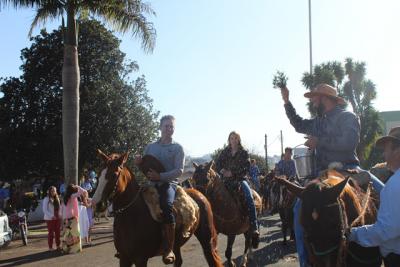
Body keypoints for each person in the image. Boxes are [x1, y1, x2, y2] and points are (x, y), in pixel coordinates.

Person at [279, 83, 384, 267]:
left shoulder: (347, 117)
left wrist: (319, 142)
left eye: (314, 97)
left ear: (325, 98)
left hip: (349, 168)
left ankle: (388, 252)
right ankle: (305, 262)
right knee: (298, 208)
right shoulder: (318, 122)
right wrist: (287, 101)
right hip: (324, 174)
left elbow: (349, 142)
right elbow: (298, 124)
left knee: (386, 193)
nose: (312, 101)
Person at [134, 115, 185, 265]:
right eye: (166, 126)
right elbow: (145, 167)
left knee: (166, 206)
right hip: (151, 184)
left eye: (171, 126)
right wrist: (138, 164)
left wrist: (160, 176)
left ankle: (169, 248)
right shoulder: (150, 147)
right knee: (133, 203)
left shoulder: (178, 148)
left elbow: (179, 171)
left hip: (169, 184)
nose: (169, 129)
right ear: (160, 127)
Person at [349, 127, 400, 267]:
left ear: (397, 151)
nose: (383, 155)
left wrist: (352, 233)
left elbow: (386, 230)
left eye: (386, 150)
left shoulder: (395, 185)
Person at [215, 131, 260, 242]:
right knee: (213, 194)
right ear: (229, 140)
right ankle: (213, 223)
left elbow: (246, 167)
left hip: (240, 180)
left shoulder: (243, 152)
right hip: (225, 180)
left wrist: (232, 173)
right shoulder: (225, 152)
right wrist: (222, 170)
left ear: (238, 140)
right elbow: (218, 163)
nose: (233, 140)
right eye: (231, 138)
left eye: (235, 138)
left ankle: (254, 226)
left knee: (249, 197)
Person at [61, 184, 87, 254]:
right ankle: (75, 249)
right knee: (76, 233)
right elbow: (83, 191)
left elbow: (62, 208)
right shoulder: (72, 196)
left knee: (67, 234)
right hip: (72, 218)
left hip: (66, 218)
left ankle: (65, 249)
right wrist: (77, 186)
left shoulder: (65, 197)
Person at [42, 186, 62, 251]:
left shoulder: (57, 198)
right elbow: (44, 210)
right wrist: (51, 216)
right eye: (52, 191)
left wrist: (60, 215)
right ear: (49, 191)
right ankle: (50, 247)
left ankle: (58, 245)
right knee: (51, 233)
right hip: (50, 219)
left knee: (58, 233)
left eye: (55, 191)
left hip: (57, 218)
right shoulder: (46, 199)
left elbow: (59, 208)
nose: (54, 192)